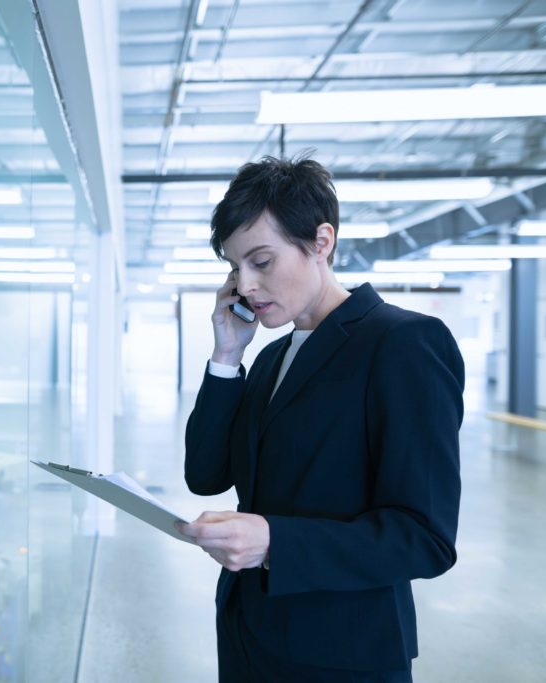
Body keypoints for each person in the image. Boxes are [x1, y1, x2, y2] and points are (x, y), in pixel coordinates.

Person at [177, 154, 465, 682]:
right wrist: (225, 358)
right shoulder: (267, 359)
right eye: (234, 267)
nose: (244, 285)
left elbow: (425, 537)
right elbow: (206, 475)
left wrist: (274, 543)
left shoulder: (403, 345)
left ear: (321, 242)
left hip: (341, 654)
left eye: (261, 261)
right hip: (248, 634)